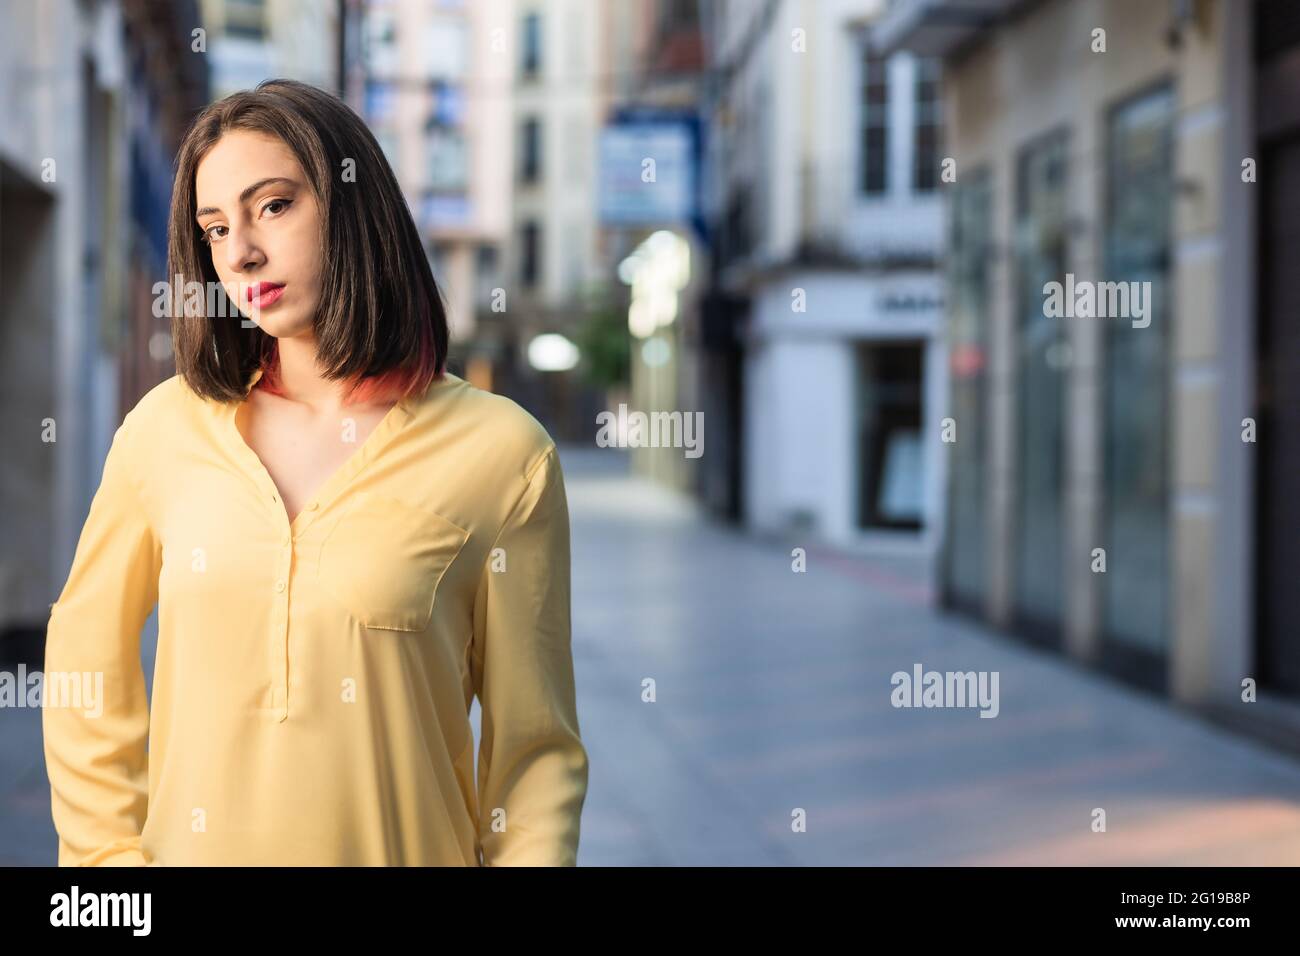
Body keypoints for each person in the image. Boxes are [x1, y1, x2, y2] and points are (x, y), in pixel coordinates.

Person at [42, 79, 588, 866]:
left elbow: (535, 755)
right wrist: (107, 869)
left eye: (273, 205)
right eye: (216, 226)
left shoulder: (503, 454)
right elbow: (84, 652)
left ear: (351, 206)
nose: (241, 251)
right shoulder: (163, 432)